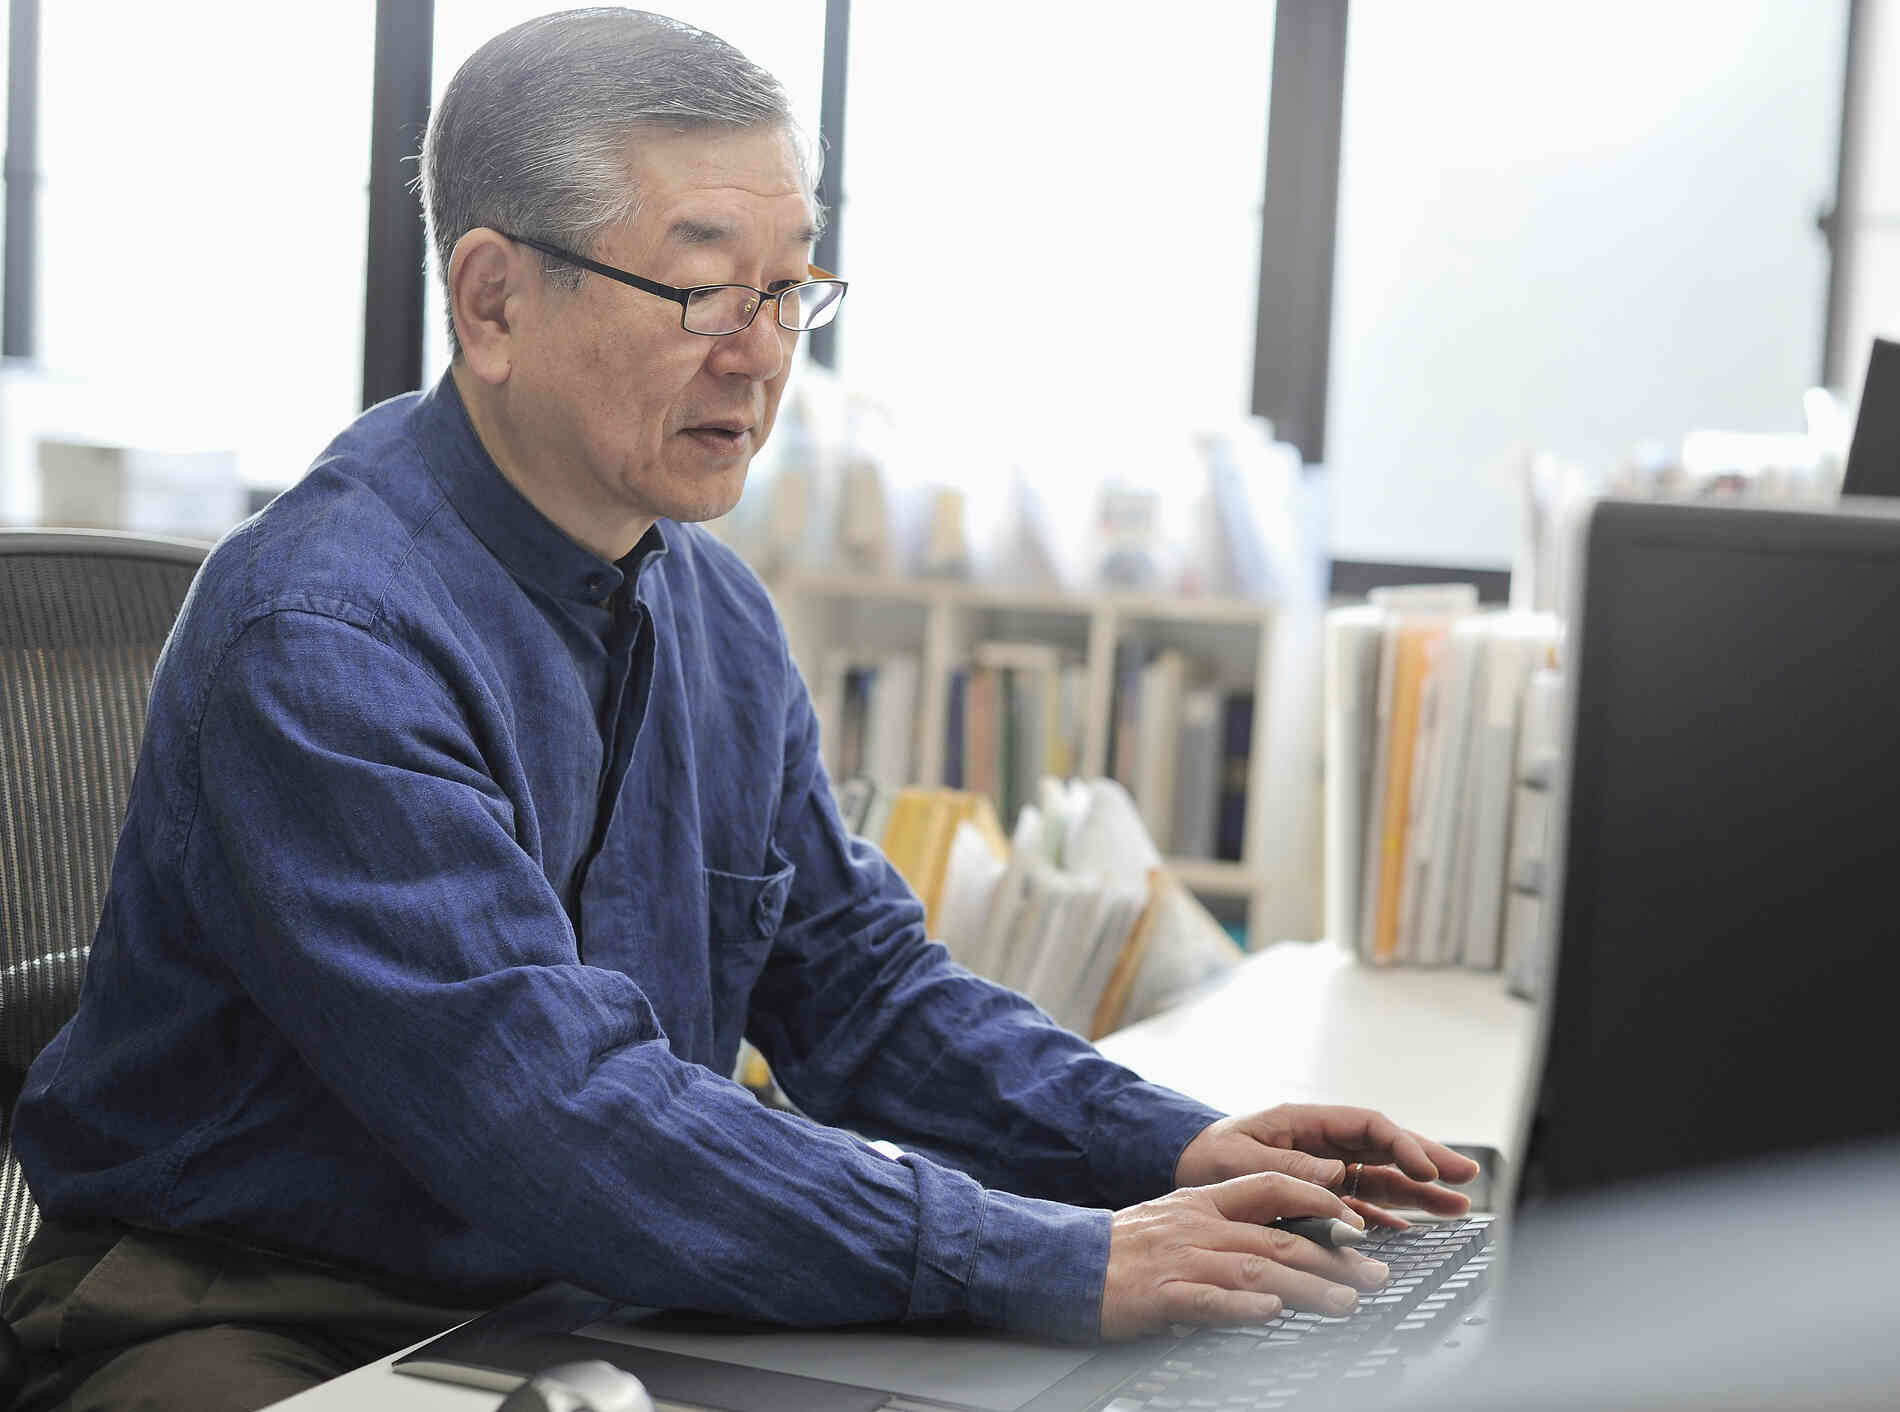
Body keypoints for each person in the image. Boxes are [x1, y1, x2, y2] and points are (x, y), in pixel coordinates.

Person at [2, 9, 1477, 1409]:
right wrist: (1047, 1255)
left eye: (790, 288)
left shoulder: (706, 602)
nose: (764, 350)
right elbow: (547, 1111)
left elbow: (855, 986)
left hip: (576, 1287)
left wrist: (1169, 1149)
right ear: (493, 299)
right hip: (254, 1310)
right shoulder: (322, 636)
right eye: (704, 286)